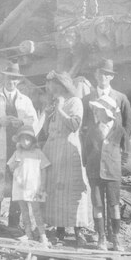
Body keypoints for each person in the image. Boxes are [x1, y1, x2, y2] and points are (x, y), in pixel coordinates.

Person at [0, 63, 38, 232]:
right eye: (8, 77)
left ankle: (13, 224)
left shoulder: (25, 101)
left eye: (14, 78)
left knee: (17, 184)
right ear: (3, 78)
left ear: (19, 81)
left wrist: (22, 122)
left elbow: (34, 122)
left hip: (17, 148)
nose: (11, 81)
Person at [42, 71, 89, 246]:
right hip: (53, 152)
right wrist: (49, 115)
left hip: (68, 151)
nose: (51, 91)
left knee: (73, 189)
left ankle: (79, 231)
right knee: (55, 190)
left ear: (62, 87)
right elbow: (47, 131)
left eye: (53, 87)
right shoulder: (55, 103)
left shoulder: (75, 102)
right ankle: (59, 228)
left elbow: (74, 125)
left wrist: (60, 109)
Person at [84, 95, 131, 251]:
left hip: (112, 174)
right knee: (97, 204)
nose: (96, 112)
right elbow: (86, 151)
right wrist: (89, 166)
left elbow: (127, 152)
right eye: (95, 110)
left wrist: (116, 165)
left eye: (99, 110)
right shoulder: (92, 130)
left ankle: (116, 238)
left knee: (114, 205)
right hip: (95, 174)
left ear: (108, 112)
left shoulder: (119, 130)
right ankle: (101, 238)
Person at [7, 125, 50, 246]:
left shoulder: (37, 153)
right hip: (20, 187)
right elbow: (10, 168)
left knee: (36, 211)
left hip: (34, 187)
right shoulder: (17, 153)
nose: (25, 142)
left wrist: (42, 185)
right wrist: (15, 164)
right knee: (24, 211)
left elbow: (44, 169)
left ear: (32, 140)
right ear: (19, 140)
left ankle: (42, 234)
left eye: (28, 139)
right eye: (22, 139)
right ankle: (28, 233)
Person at [82, 58, 131, 136]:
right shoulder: (86, 100)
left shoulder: (121, 98)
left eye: (106, 74)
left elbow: (128, 124)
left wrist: (121, 144)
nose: (103, 76)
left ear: (112, 76)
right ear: (95, 75)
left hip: (114, 144)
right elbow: (83, 125)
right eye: (100, 73)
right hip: (93, 146)